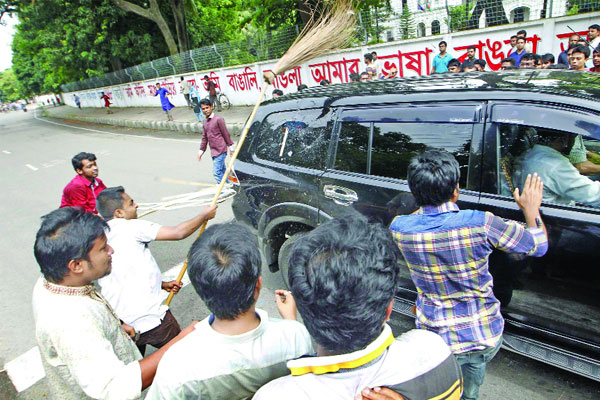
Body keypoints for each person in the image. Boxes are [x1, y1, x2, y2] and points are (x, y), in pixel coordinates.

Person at [390, 150, 548, 400]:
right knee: (469, 392)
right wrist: (531, 209)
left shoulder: (400, 228)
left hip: (434, 338)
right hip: (482, 336)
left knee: (437, 391)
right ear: (456, 190)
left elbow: (418, 218)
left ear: (413, 190)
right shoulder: (481, 223)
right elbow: (538, 245)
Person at [254, 215, 463, 400]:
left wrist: (291, 324)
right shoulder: (434, 352)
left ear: (304, 309)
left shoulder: (275, 395)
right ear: (389, 309)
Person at [32, 207, 196, 400]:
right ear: (76, 265)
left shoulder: (53, 280)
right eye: (103, 248)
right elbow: (113, 388)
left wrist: (117, 325)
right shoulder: (70, 322)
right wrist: (178, 344)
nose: (111, 251)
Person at [146, 222, 313, 399]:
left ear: (199, 289)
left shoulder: (177, 365)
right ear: (258, 285)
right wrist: (290, 321)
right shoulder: (295, 335)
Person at [95, 186, 218, 355]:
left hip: (122, 323)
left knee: (137, 365)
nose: (136, 205)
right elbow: (178, 232)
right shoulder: (132, 226)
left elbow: (124, 273)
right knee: (183, 355)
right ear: (119, 213)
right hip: (151, 318)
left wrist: (162, 284)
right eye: (131, 203)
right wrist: (204, 215)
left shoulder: (99, 237)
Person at [513, 130, 600, 207]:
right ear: (564, 139)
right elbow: (593, 195)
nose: (573, 143)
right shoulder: (555, 164)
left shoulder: (531, 154)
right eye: (573, 138)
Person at [197, 99, 234, 184]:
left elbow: (226, 134)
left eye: (207, 107)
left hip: (221, 150)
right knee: (223, 171)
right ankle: (230, 186)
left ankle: (224, 189)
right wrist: (200, 152)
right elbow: (204, 138)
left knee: (216, 173)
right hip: (213, 152)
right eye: (203, 109)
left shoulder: (218, 119)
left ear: (211, 107)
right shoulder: (205, 122)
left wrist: (231, 149)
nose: (206, 110)